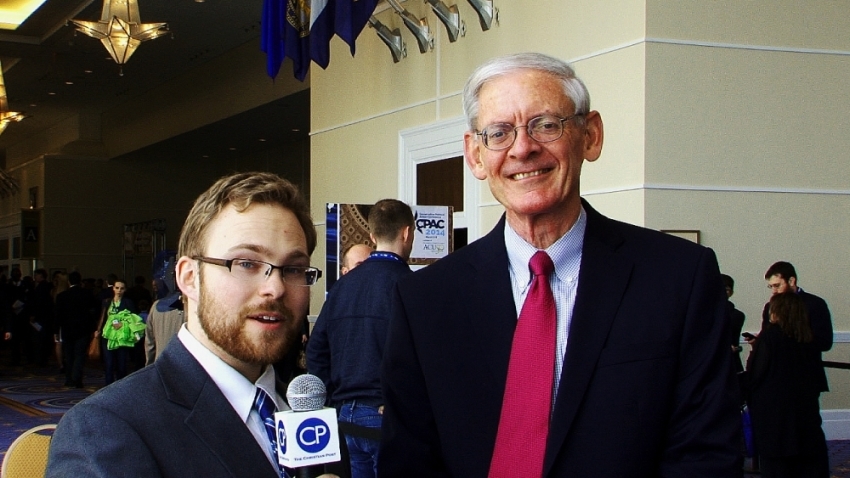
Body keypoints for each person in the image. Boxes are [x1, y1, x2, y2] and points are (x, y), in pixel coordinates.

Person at [378, 52, 740, 477]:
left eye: (546, 125)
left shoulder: (679, 279)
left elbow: (704, 457)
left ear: (590, 136)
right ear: (475, 155)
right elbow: (410, 464)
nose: (523, 148)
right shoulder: (426, 301)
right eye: (498, 133)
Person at [46, 172, 336, 478]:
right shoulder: (104, 429)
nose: (276, 288)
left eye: (294, 268)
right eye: (247, 263)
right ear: (188, 278)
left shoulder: (309, 416)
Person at [308, 199, 414, 478]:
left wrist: (333, 401)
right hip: (387, 419)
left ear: (372, 236)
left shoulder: (342, 287)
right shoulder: (412, 287)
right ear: (406, 233)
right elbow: (423, 359)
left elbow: (317, 350)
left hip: (346, 419)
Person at [746, 292, 829, 478]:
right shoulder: (807, 339)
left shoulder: (769, 338)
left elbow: (756, 375)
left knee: (777, 467)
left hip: (774, 415)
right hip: (805, 411)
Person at [759, 261, 833, 392]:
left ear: (792, 281)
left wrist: (789, 340)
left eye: (777, 285)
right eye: (770, 287)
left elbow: (825, 342)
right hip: (777, 377)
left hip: (806, 376)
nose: (774, 291)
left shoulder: (815, 304)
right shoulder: (769, 307)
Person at [53, 271, 100, 388]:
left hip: (67, 330)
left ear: (69, 282)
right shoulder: (87, 294)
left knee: (68, 356)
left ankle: (69, 379)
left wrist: (56, 331)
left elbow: (58, 315)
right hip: (83, 329)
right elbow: (95, 309)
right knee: (79, 355)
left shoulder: (62, 296)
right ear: (80, 281)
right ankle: (77, 379)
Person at [94, 279, 137, 385]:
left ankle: (120, 388)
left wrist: (123, 324)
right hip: (108, 337)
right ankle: (108, 388)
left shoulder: (128, 302)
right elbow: (102, 317)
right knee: (109, 364)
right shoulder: (107, 302)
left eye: (122, 288)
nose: (119, 290)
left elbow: (134, 319)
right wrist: (98, 330)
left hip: (122, 337)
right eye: (117, 288)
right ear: (113, 288)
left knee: (121, 365)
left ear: (125, 290)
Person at [721, 274, 746, 373]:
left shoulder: (737, 315)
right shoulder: (702, 313)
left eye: (726, 289)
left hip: (731, 364)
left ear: (731, 292)